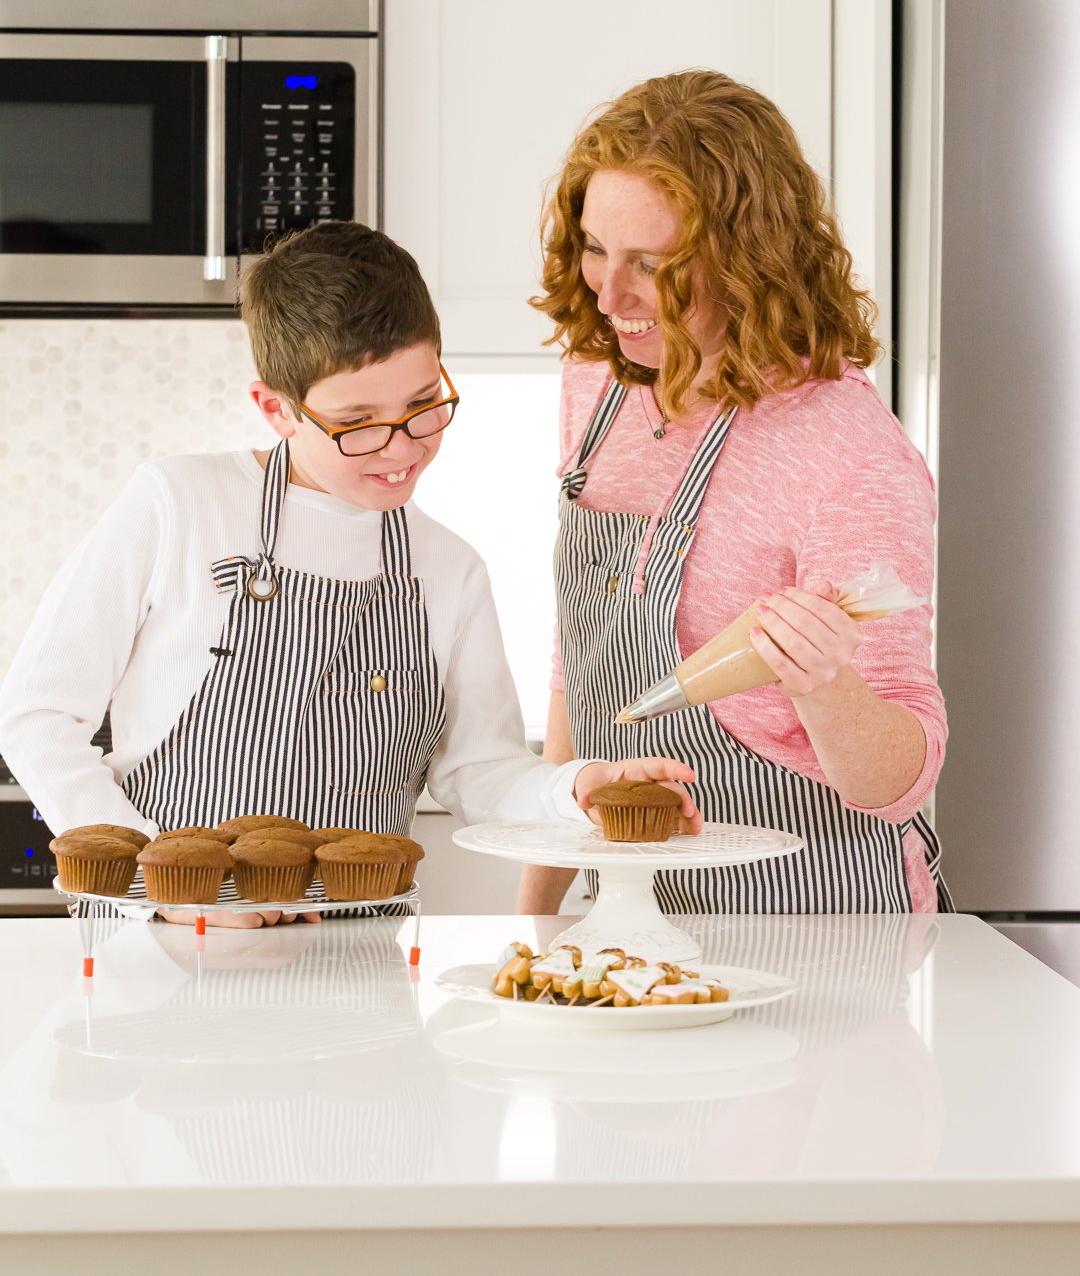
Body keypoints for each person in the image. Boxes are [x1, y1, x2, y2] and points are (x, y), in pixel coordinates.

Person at [0, 220, 695, 928]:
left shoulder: (446, 569)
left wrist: (577, 786)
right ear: (276, 409)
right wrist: (167, 890)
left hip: (359, 971)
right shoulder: (180, 504)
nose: (400, 449)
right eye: (358, 422)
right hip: (167, 955)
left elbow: (476, 771)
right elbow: (38, 717)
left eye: (423, 406)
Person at [519, 71, 950, 916]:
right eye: (596, 246)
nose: (610, 295)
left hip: (816, 923)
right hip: (636, 918)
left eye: (652, 264)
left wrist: (825, 685)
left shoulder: (844, 450)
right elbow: (583, 665)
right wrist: (534, 917)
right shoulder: (598, 382)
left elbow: (903, 778)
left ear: (747, 258)